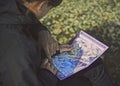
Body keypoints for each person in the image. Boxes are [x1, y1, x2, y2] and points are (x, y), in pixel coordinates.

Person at [0, 0, 114, 86]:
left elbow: (19, 16)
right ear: (41, 5)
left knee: (94, 64)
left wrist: (41, 32)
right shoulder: (16, 48)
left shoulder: (7, 4)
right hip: (39, 76)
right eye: (50, 8)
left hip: (32, 63)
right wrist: (47, 76)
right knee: (89, 76)